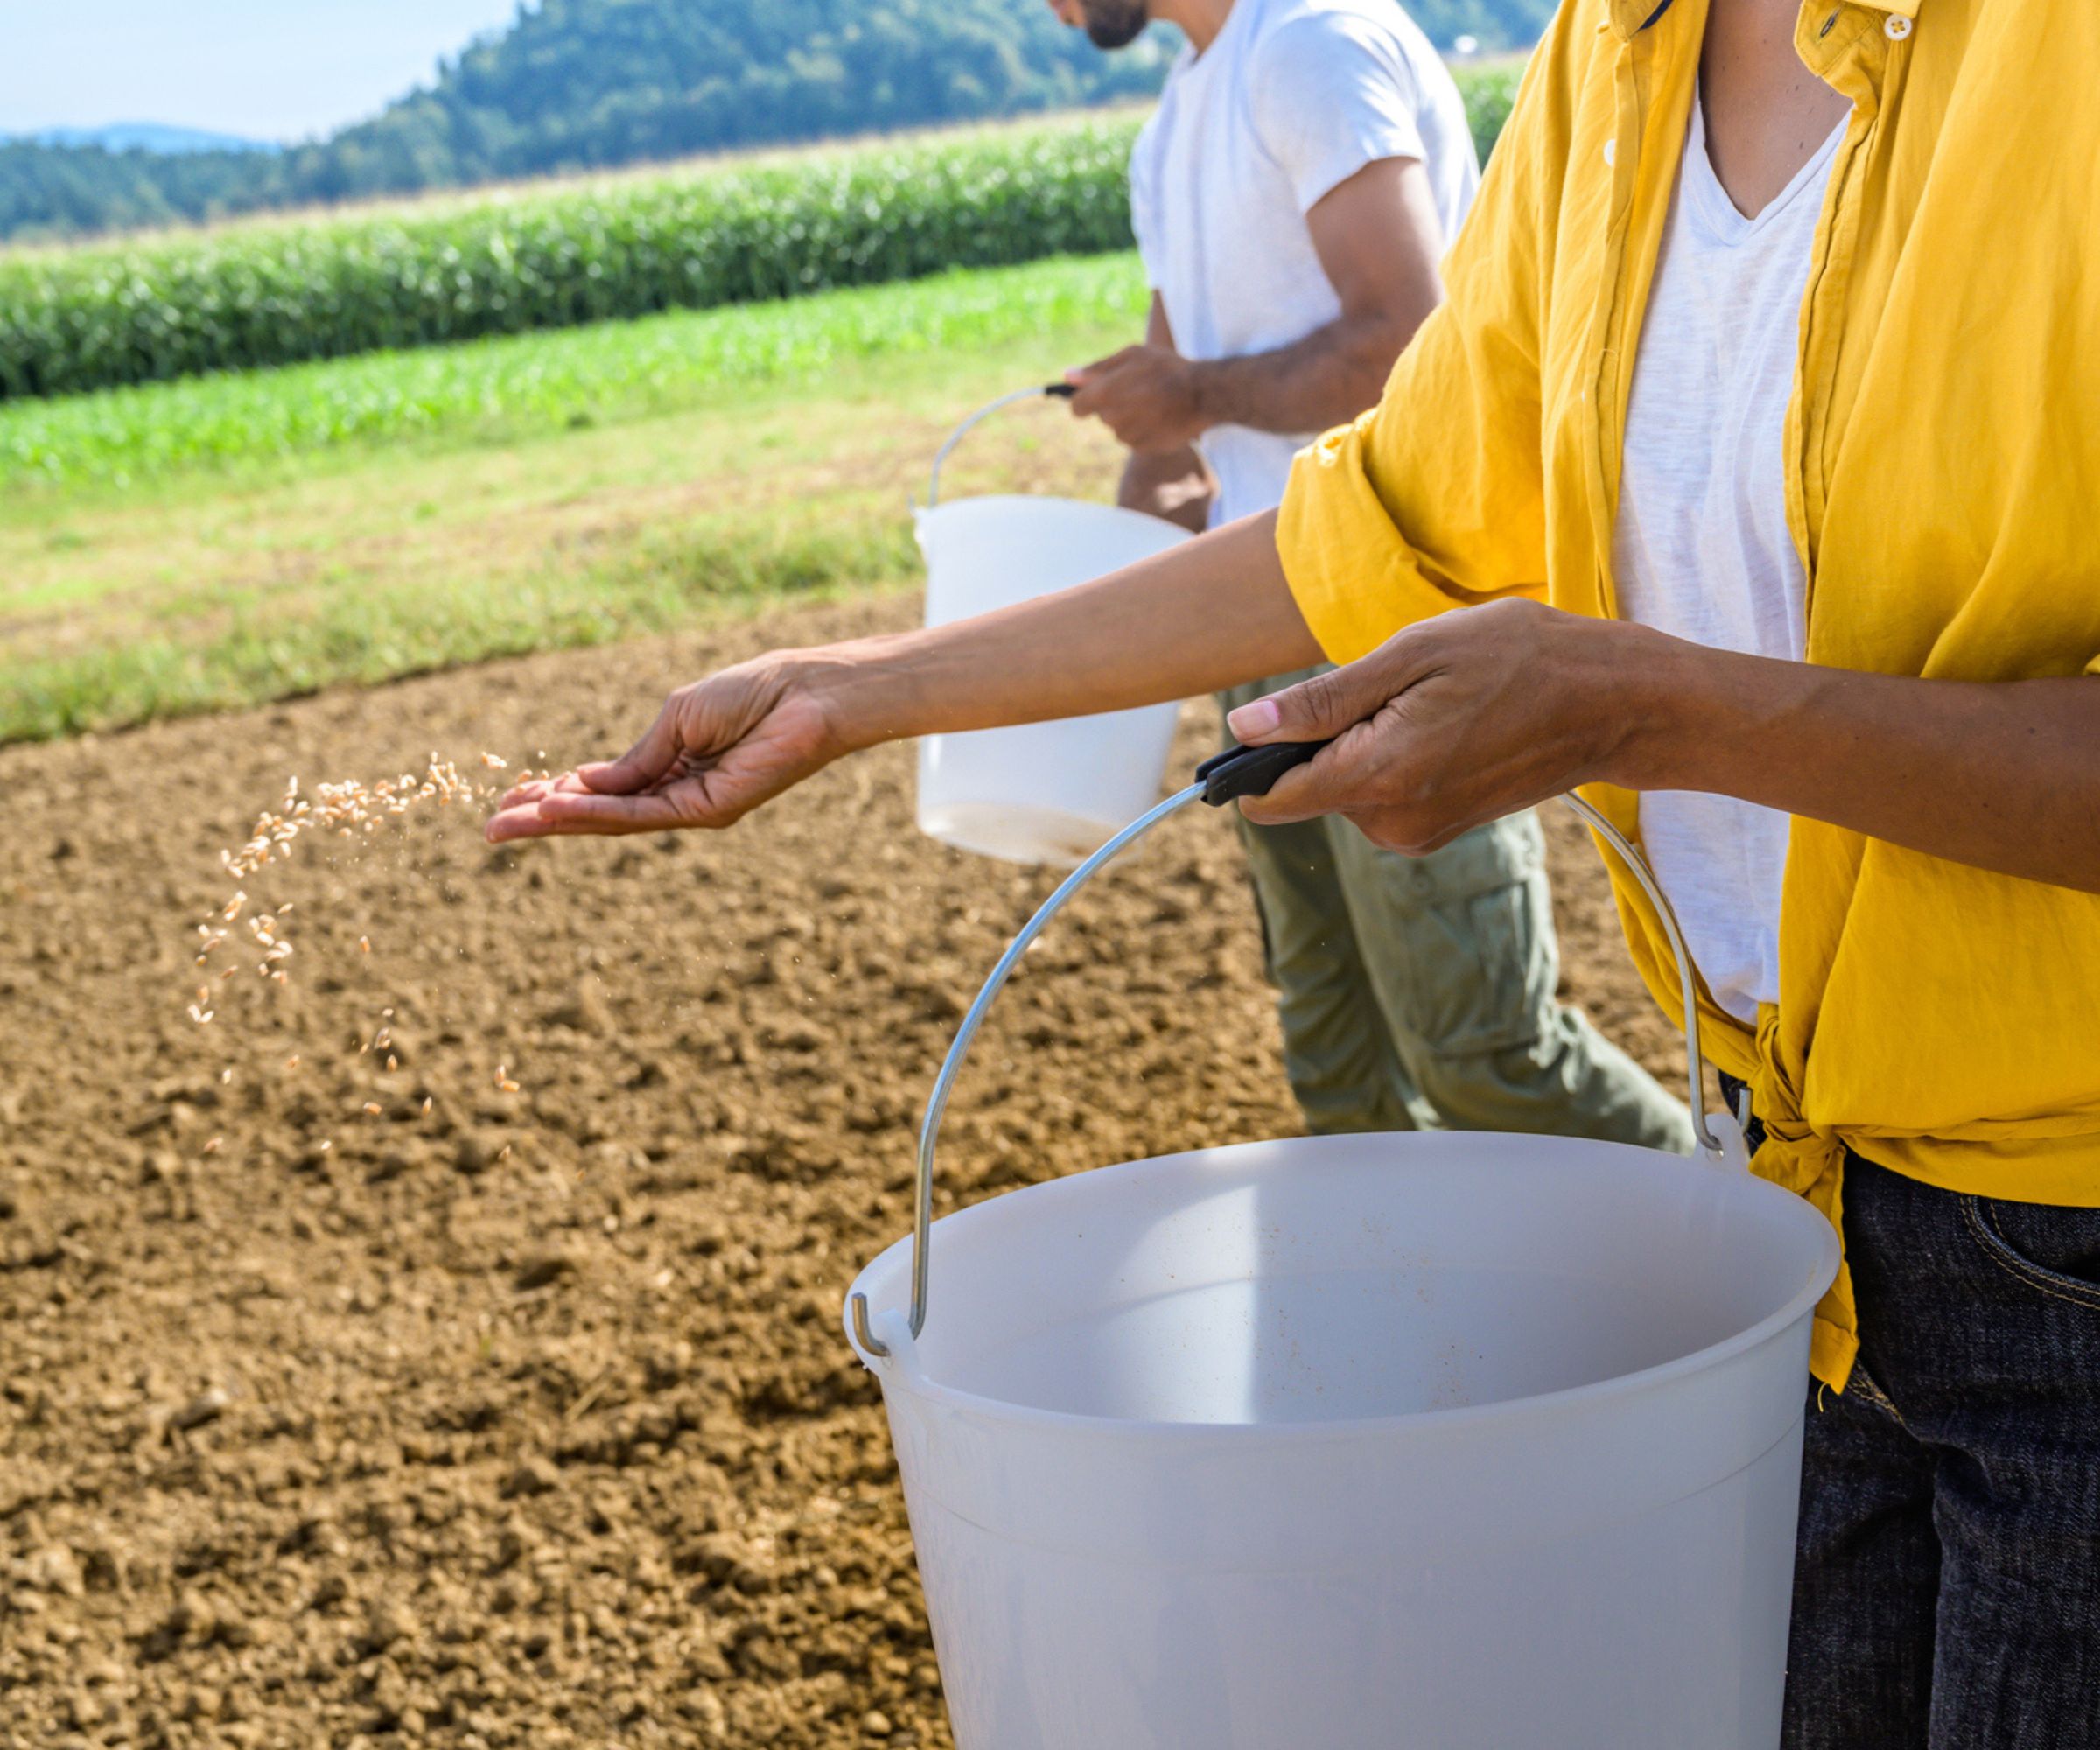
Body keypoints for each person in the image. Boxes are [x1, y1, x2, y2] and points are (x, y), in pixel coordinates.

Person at [488, 0, 2100, 1740]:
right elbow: (1386, 521)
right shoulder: (1615, 55)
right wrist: (852, 693)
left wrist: (1636, 710)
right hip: (1813, 1224)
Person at [1053, 0, 1692, 1149]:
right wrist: (1095, 612)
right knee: (1335, 1053)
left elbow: (1406, 338)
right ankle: (1414, 1317)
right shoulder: (1173, 126)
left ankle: (1744, 1256)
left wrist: (1193, 394)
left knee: (1486, 1055)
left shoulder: (1311, 47)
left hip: (1390, 610)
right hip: (1261, 626)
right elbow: (1170, 435)